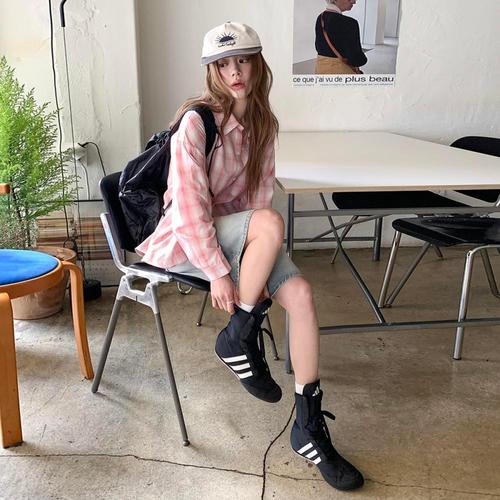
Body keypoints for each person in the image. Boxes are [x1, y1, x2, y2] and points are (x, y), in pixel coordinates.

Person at [136, 21, 364, 491]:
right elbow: (189, 209)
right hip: (186, 241)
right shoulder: (196, 123)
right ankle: (239, 333)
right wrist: (220, 273)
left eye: (242, 61)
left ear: (257, 65)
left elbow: (257, 200)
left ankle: (307, 426)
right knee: (271, 223)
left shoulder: (263, 123)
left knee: (301, 295)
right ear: (212, 71)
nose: (234, 73)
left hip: (242, 235)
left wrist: (253, 264)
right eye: (223, 64)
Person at [315, 0, 367, 74]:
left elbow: (319, 47)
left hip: (321, 70)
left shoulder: (320, 17)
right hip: (340, 72)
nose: (354, 2)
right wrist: (363, 59)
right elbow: (356, 59)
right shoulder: (350, 23)